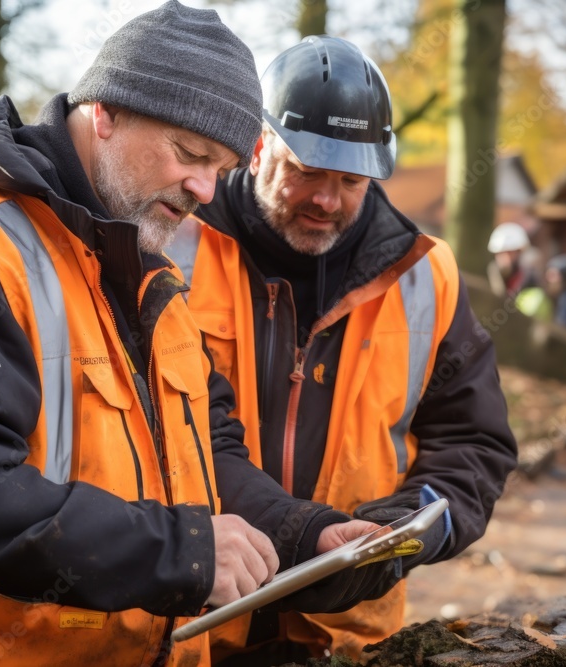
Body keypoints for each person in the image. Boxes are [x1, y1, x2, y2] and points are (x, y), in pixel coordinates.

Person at [0, 4, 398, 665]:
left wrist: (305, 533)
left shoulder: (149, 275)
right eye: (191, 154)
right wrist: (181, 551)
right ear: (105, 112)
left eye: (220, 168)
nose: (204, 189)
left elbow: (207, 452)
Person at [177, 36, 518, 662]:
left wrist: (409, 528)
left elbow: (474, 441)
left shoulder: (427, 275)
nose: (326, 199)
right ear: (258, 146)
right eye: (306, 171)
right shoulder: (173, 242)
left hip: (346, 637)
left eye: (351, 180)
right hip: (192, 624)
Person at [486, 221, 550, 320]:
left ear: (520, 252)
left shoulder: (533, 282)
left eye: (509, 253)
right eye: (500, 253)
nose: (504, 258)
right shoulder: (494, 277)